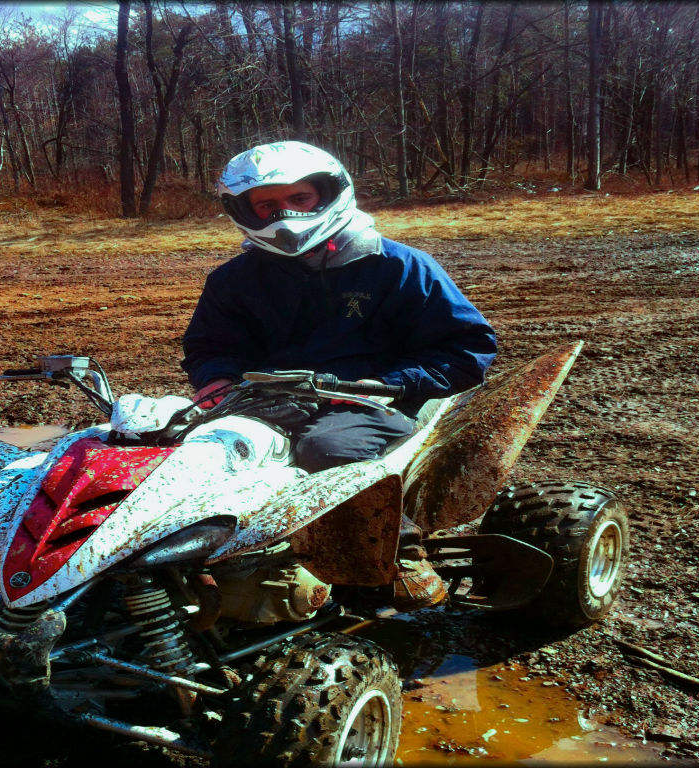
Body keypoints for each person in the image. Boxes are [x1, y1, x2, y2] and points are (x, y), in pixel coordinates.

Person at [180, 140, 498, 609]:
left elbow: (468, 348)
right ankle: (188, 565)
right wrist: (217, 381)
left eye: (298, 199)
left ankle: (398, 550)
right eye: (266, 205)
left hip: (374, 397)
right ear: (244, 211)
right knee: (189, 455)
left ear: (329, 194)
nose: (283, 215)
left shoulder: (398, 266)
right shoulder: (233, 280)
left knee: (326, 449)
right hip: (268, 398)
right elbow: (210, 347)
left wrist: (397, 382)